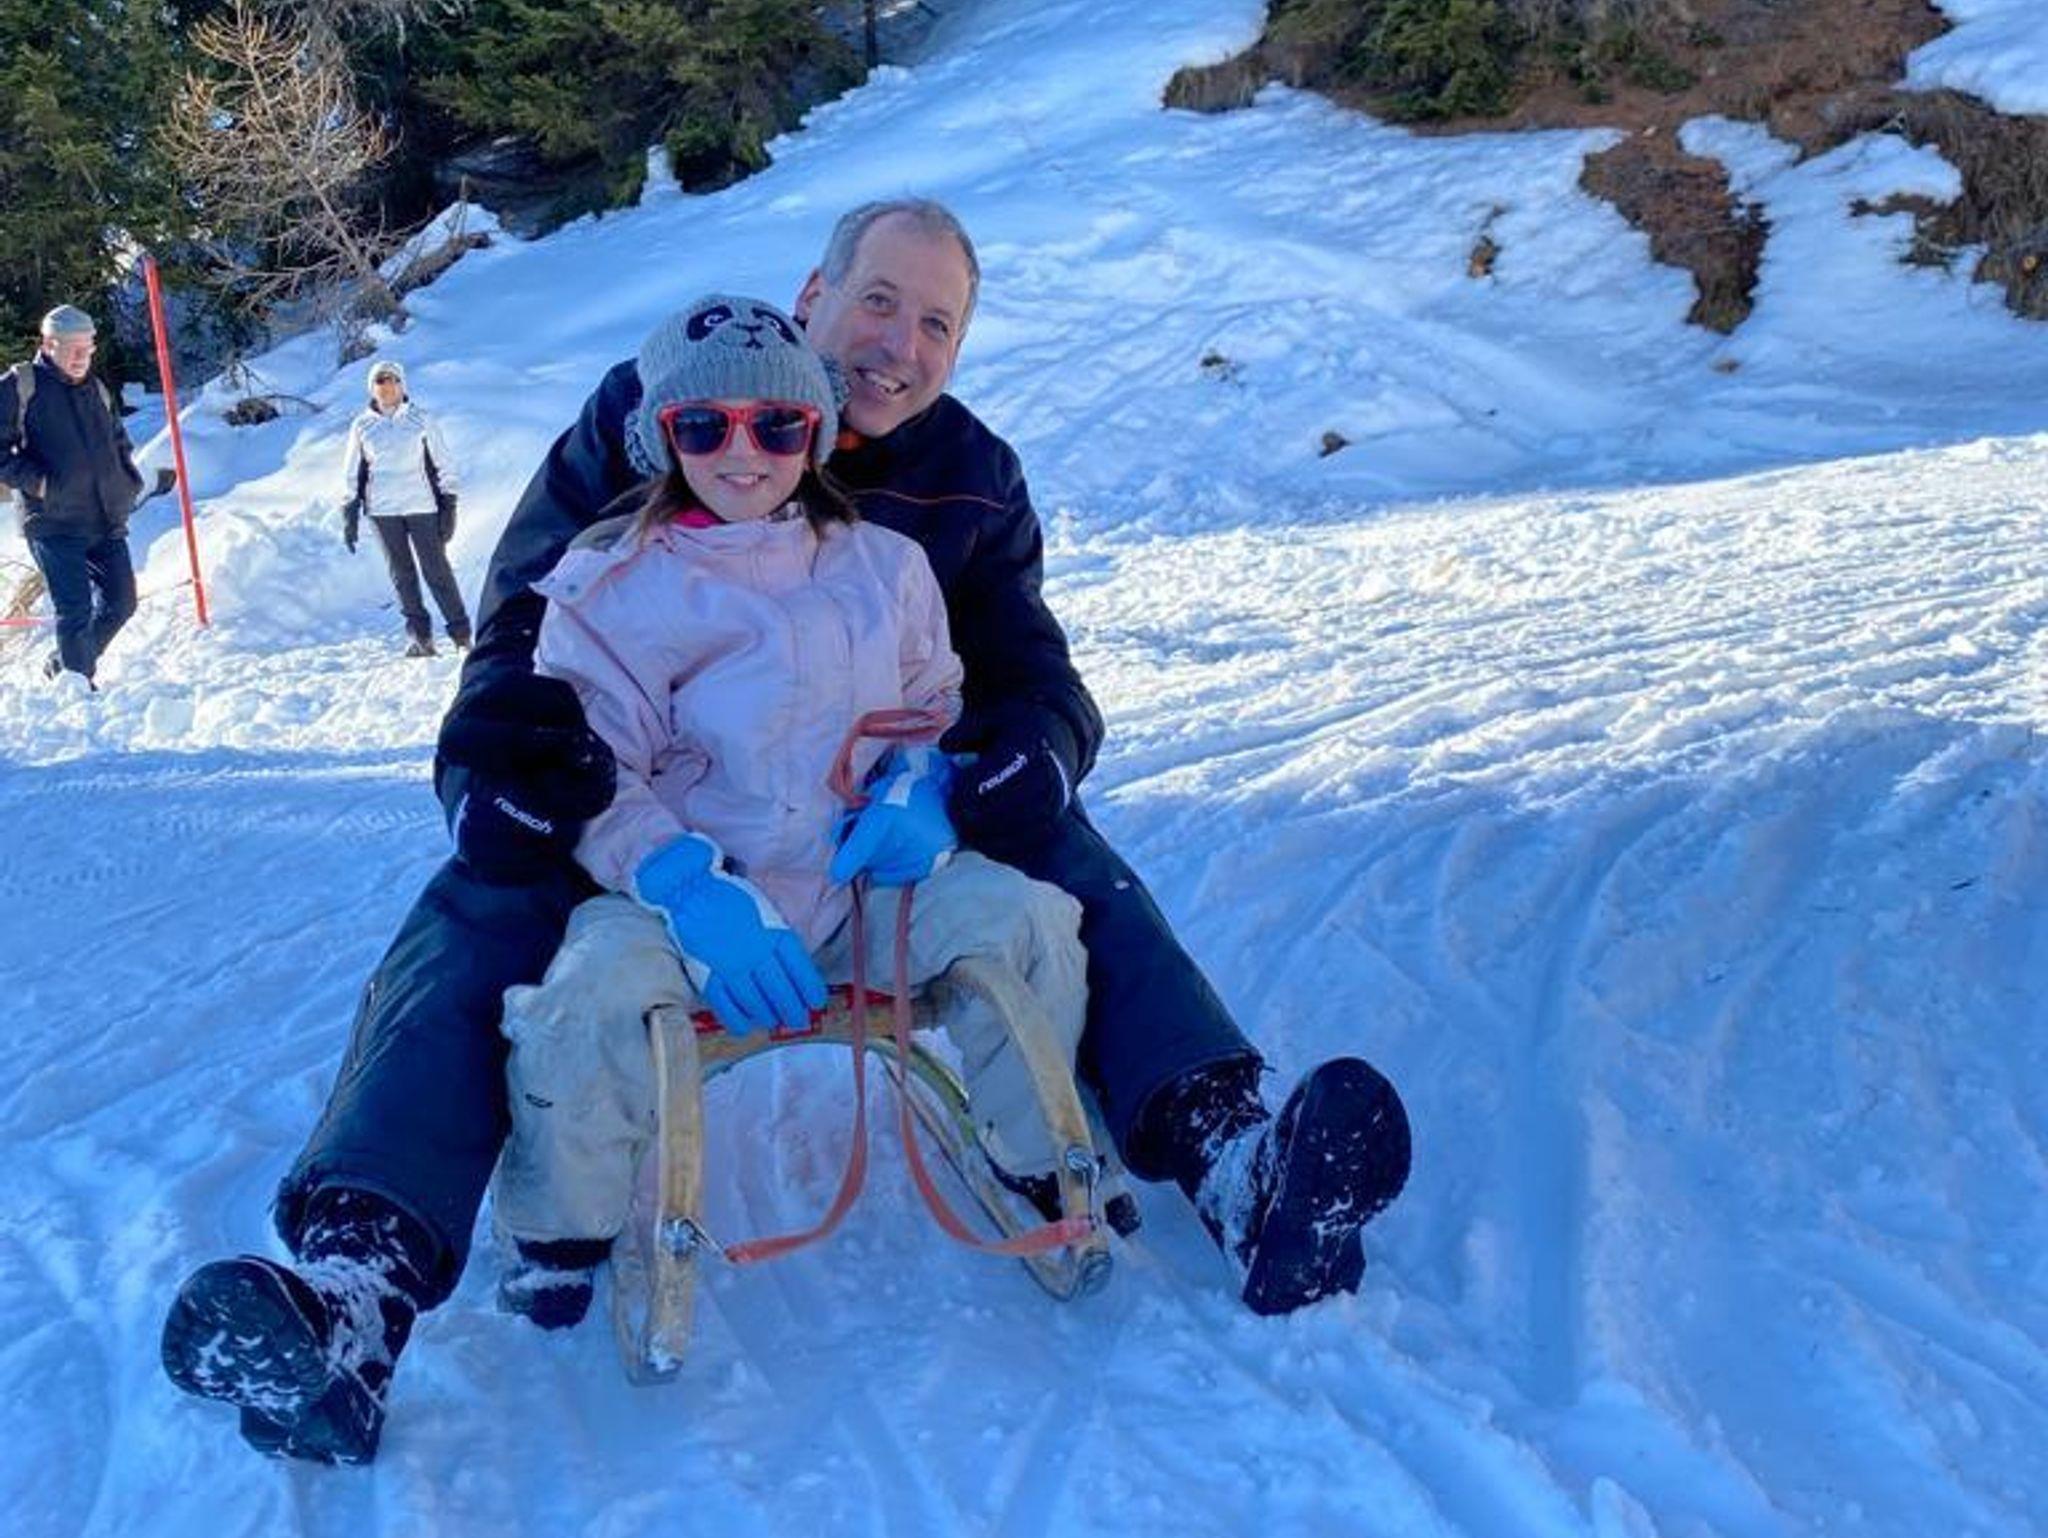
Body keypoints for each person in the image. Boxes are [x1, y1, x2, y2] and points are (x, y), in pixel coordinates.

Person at [160, 199, 1412, 1467]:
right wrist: (492, 769)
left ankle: (1229, 1154)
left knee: (1056, 858)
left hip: (872, 828)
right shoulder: (665, 399)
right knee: (486, 895)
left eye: (936, 324)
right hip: (667, 812)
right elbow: (529, 629)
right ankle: (358, 1288)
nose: (898, 346)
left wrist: (1000, 767)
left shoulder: (967, 474)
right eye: (878, 301)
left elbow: (1032, 678)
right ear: (814, 296)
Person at [489, 295, 1087, 1330]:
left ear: (813, 433)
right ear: (661, 437)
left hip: (861, 891)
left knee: (1029, 925)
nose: (742, 452)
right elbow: (593, 771)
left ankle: (1037, 1156)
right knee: (585, 997)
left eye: (775, 424)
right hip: (691, 906)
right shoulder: (611, 591)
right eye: (703, 425)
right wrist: (685, 887)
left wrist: (923, 786)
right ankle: (561, 1229)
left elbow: (933, 700)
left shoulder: (883, 567)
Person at [0, 305, 160, 691]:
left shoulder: (96, 388)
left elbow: (118, 440)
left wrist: (127, 481)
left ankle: (65, 666)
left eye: (87, 348)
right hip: (52, 521)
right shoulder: (21, 385)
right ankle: (79, 689)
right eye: (71, 348)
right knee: (74, 610)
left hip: (103, 518)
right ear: (48, 345)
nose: (80, 357)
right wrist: (40, 484)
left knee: (122, 603)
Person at [341, 359, 470, 657]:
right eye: (381, 381)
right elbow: (351, 470)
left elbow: (444, 463)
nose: (387, 387)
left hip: (421, 506)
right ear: (372, 388)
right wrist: (349, 510)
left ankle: (461, 635)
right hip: (382, 511)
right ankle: (420, 638)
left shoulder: (420, 419)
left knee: (437, 571)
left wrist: (449, 504)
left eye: (393, 380)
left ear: (402, 385)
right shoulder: (362, 425)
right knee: (402, 575)